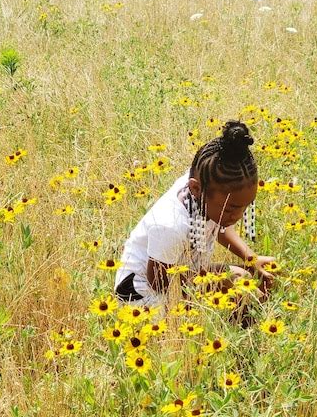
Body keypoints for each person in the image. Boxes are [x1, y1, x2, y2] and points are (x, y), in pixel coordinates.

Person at [114, 120, 276, 315]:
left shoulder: (207, 188)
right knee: (238, 286)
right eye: (232, 209)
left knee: (256, 275)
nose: (239, 216)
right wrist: (220, 278)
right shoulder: (170, 224)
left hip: (179, 271)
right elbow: (159, 282)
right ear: (196, 188)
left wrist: (251, 259)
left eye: (245, 207)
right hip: (141, 299)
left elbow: (221, 225)